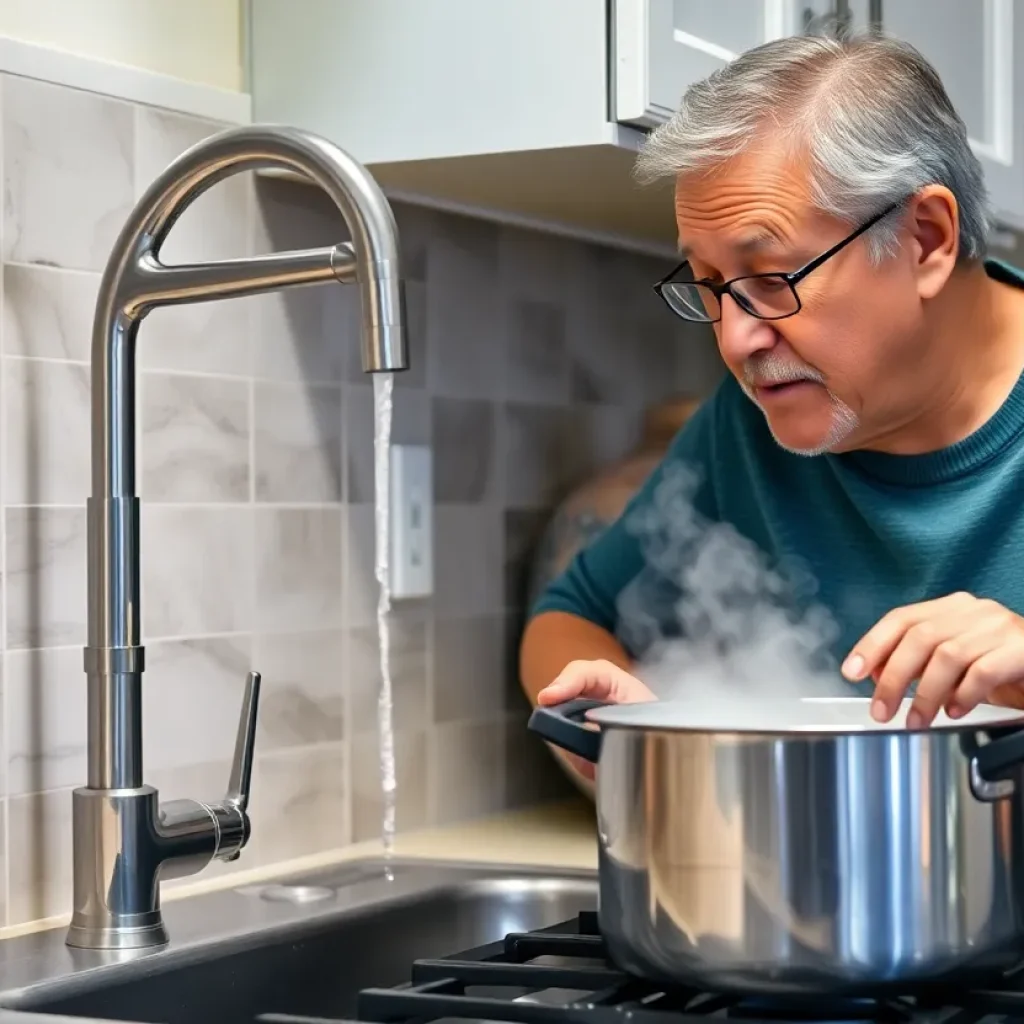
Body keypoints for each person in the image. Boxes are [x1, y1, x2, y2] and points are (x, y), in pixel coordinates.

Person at [519, 32, 1024, 784]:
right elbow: (570, 612)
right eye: (712, 286)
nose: (737, 338)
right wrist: (630, 732)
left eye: (773, 277)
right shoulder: (749, 427)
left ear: (926, 240)